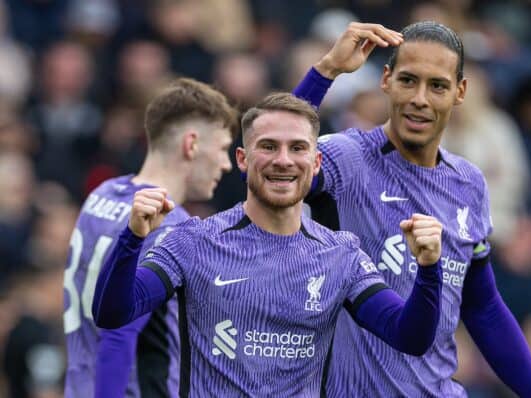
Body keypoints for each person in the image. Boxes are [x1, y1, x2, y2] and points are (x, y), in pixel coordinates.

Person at [92, 93, 444, 396]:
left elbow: (409, 337)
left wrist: (429, 268)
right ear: (243, 160)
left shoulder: (342, 255)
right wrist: (132, 237)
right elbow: (112, 312)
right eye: (269, 146)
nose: (283, 160)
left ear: (315, 162)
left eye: (298, 148)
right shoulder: (193, 241)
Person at [292, 21, 531, 397]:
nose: (420, 98)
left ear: (459, 91)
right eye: (408, 80)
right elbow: (269, 159)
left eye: (437, 86)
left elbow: (483, 307)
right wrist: (326, 71)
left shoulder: (468, 183)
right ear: (387, 80)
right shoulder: (347, 160)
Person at [63, 78, 237, 397]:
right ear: (192, 144)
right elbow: (117, 337)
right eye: (224, 148)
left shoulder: (102, 195)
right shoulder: (167, 226)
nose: (226, 165)